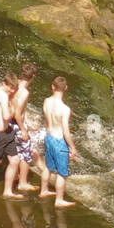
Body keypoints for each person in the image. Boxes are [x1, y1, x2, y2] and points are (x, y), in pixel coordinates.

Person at [41, 76, 78, 207]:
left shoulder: (46, 101)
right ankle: (59, 200)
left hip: (49, 136)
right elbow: (66, 131)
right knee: (62, 173)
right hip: (59, 141)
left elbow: (46, 121)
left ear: (52, 86)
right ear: (66, 88)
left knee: (48, 167)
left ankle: (44, 190)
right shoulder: (65, 109)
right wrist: (72, 147)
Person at [8, 62, 41, 196]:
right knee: (26, 154)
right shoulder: (24, 92)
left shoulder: (15, 84)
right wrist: (24, 129)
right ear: (33, 76)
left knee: (15, 151)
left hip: (9, 122)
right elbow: (18, 112)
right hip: (16, 123)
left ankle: (15, 176)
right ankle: (23, 183)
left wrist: (27, 124)